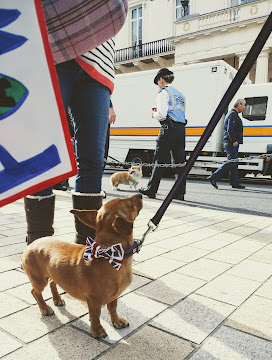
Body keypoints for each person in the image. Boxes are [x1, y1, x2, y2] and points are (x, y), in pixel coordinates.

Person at [24, 37, 117, 245]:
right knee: (42, 155)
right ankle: (39, 247)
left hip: (98, 65)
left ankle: (87, 245)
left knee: (93, 160)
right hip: (50, 52)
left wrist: (109, 101)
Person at [139, 68, 187, 200]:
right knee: (179, 162)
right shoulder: (180, 94)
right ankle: (179, 193)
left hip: (168, 128)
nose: (158, 85)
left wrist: (153, 114)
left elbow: (161, 114)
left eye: (157, 82)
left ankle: (151, 190)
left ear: (161, 79)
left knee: (159, 160)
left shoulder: (163, 93)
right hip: (181, 129)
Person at [207, 98, 246, 189]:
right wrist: (234, 141)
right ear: (239, 104)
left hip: (231, 142)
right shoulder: (232, 115)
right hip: (231, 143)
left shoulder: (233, 114)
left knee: (233, 162)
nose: (244, 107)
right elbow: (230, 129)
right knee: (231, 162)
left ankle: (235, 183)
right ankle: (214, 177)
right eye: (243, 105)